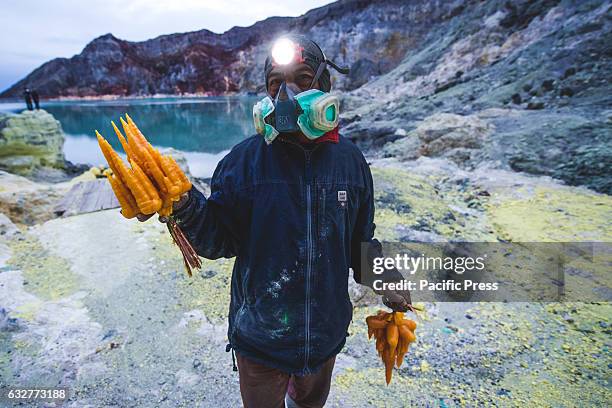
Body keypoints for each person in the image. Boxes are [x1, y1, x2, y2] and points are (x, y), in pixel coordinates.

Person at [138, 34, 411, 408]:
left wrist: (385, 276)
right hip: (261, 340)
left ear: (325, 86)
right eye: (275, 83)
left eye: (302, 78)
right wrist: (183, 206)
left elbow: (359, 244)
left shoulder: (351, 163)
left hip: (324, 337)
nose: (288, 92)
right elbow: (219, 240)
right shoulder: (242, 162)